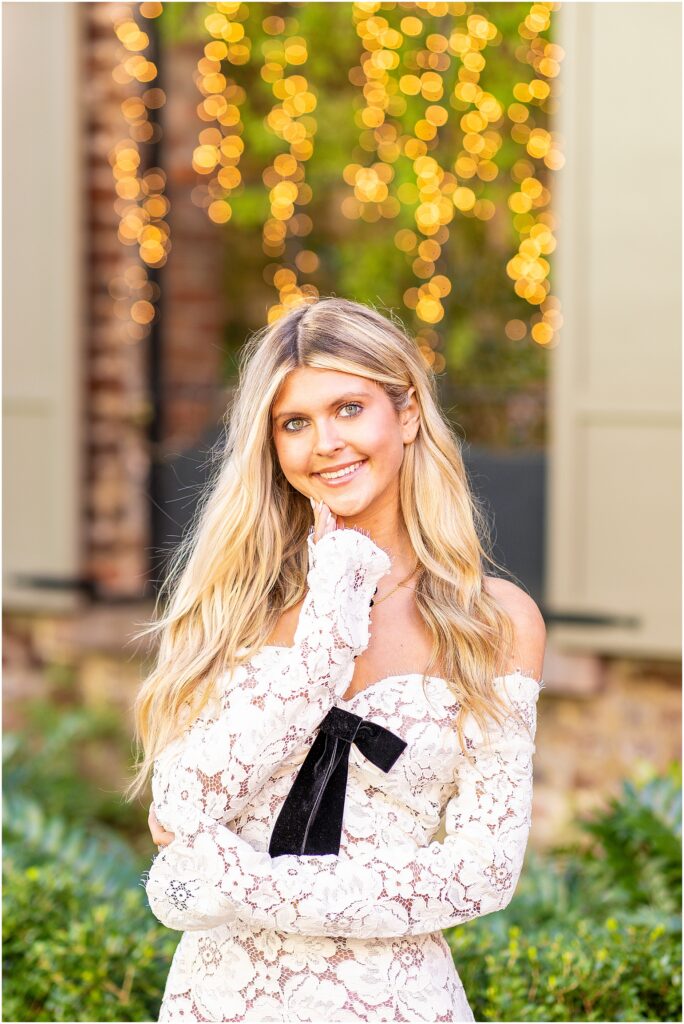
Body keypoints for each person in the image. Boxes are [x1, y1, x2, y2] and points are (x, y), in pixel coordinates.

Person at [127, 297, 546, 1023]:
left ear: (406, 414)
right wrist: (321, 642)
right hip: (221, 999)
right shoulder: (234, 602)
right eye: (295, 422)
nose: (325, 442)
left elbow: (484, 872)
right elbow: (182, 808)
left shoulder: (495, 621)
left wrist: (254, 885)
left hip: (396, 1002)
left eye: (349, 408)